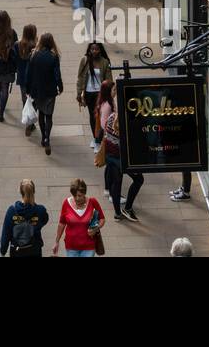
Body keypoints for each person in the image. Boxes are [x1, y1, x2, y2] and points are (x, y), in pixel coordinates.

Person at [101, 82, 144, 222]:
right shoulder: (128, 124)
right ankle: (128, 208)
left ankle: (117, 213)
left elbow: (107, 136)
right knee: (139, 179)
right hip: (123, 158)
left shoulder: (112, 118)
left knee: (116, 183)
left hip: (110, 156)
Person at [26, 34, 64, 154]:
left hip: (37, 90)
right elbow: (57, 74)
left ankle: (43, 137)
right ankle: (48, 137)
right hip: (50, 90)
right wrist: (60, 86)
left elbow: (29, 74)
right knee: (49, 115)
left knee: (41, 113)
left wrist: (28, 89)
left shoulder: (34, 55)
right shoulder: (54, 56)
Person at [53, 178, 105, 257]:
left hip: (89, 247)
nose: (77, 198)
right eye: (74, 195)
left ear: (84, 193)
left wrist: (96, 228)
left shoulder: (93, 202)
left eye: (80, 195)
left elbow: (102, 219)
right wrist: (56, 242)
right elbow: (62, 223)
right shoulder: (66, 203)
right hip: (71, 247)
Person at [77, 42, 114, 151]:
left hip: (100, 94)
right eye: (92, 49)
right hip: (89, 93)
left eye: (96, 49)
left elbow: (109, 80)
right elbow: (80, 77)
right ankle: (96, 139)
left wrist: (110, 94)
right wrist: (79, 93)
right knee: (93, 117)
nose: (94, 51)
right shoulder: (85, 61)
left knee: (101, 116)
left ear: (100, 50)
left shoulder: (105, 62)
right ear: (89, 50)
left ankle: (98, 139)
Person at [0, 179, 50, 258]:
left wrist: (3, 251)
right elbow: (45, 220)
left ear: (20, 192)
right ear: (33, 192)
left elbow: (6, 233)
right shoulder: (40, 210)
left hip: (17, 251)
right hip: (34, 250)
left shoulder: (12, 211)